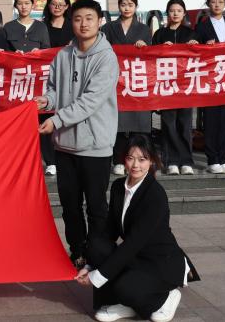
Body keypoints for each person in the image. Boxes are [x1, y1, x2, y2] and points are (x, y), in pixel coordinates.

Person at [78, 134, 199, 322]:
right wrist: (90, 264)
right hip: (136, 258)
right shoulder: (118, 186)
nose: (135, 165)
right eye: (130, 158)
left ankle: (165, 298)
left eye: (142, 159)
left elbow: (133, 243)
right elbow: (110, 231)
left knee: (125, 288)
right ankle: (121, 304)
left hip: (161, 262)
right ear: (124, 159)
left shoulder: (155, 195)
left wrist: (97, 276)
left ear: (151, 161)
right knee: (96, 244)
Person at [36, 0, 118, 270]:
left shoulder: (106, 58)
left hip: (95, 146)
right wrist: (46, 101)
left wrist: (56, 120)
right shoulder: (63, 55)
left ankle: (98, 256)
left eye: (89, 18)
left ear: (100, 21)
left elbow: (90, 101)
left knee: (96, 207)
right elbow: (54, 89)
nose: (83, 24)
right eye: (78, 19)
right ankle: (78, 252)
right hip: (65, 146)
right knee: (70, 207)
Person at [101, 0, 151, 176]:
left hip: (137, 80)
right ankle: (118, 160)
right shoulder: (108, 28)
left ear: (136, 7)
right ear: (119, 7)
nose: (127, 8)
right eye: (123, 5)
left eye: (130, 5)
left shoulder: (144, 29)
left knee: (138, 124)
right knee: (117, 123)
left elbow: (151, 56)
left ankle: (138, 160)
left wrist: (144, 46)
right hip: (116, 81)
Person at [194, 0, 225, 174]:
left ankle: (223, 158)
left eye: (220, 1)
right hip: (210, 80)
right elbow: (194, 49)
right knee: (211, 120)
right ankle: (212, 159)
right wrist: (204, 47)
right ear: (208, 4)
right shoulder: (202, 27)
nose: (217, 5)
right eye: (213, 1)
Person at [152, 0, 198, 176]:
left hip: (186, 86)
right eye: (172, 10)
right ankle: (170, 161)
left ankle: (186, 161)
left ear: (184, 13)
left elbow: (200, 56)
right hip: (167, 85)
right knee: (169, 124)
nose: (175, 13)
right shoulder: (160, 34)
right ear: (167, 13)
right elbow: (151, 58)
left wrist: (195, 47)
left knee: (185, 124)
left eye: (179, 10)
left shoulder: (191, 33)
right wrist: (161, 49)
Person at [40, 0, 74, 177]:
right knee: (45, 116)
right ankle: (50, 161)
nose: (57, 7)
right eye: (54, 4)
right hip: (45, 77)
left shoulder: (73, 26)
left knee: (66, 115)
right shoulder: (41, 26)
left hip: (69, 78)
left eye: (61, 4)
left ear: (67, 6)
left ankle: (65, 157)